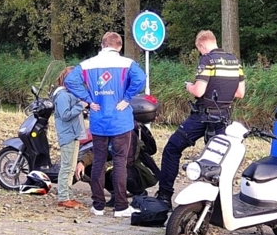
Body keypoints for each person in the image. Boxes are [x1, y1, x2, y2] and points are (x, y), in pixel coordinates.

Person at [156, 30, 245, 205]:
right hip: (223, 119)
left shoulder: (207, 60)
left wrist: (188, 86)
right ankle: (216, 204)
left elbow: (199, 91)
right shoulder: (235, 61)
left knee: (172, 149)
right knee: (218, 161)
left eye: (199, 50)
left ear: (202, 45)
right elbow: (240, 93)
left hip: (202, 117)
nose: (200, 53)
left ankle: (164, 196)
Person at [65, 31, 146, 216]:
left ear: (102, 45)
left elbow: (70, 80)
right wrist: (127, 98)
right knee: (120, 162)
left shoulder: (88, 64)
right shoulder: (127, 63)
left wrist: (88, 99)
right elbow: (141, 78)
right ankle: (121, 206)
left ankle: (98, 205)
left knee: (99, 161)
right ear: (119, 47)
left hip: (99, 120)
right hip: (120, 120)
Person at [52, 65, 87, 209]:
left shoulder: (69, 94)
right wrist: (81, 106)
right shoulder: (62, 96)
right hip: (67, 135)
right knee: (66, 167)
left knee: (71, 168)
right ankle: (63, 197)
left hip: (74, 134)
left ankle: (68, 195)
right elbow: (65, 115)